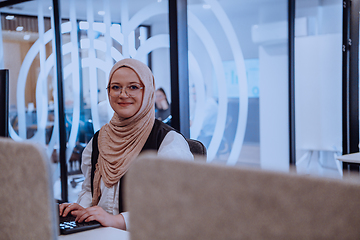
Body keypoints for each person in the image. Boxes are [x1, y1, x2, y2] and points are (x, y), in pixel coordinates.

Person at [58, 58, 193, 231]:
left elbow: (173, 205)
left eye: (133, 87)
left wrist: (118, 221)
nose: (123, 94)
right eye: (116, 87)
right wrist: (84, 209)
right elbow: (89, 188)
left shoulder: (168, 141)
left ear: (148, 91)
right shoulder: (100, 139)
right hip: (101, 232)